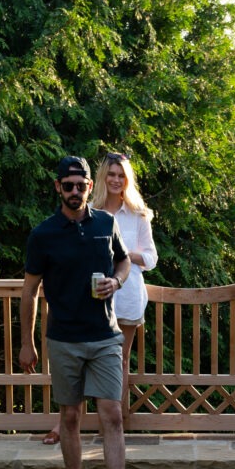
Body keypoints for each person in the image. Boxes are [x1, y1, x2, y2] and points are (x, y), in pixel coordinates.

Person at [19, 155, 152, 469]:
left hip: (105, 335)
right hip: (63, 338)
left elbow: (124, 262)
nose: (75, 191)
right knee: (71, 416)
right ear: (58, 187)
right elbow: (30, 291)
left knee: (111, 413)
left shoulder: (106, 224)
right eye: (68, 185)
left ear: (88, 188)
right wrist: (26, 343)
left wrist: (118, 280)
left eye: (81, 186)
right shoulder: (42, 234)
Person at [42, 152, 158, 446]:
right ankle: (66, 424)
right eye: (111, 174)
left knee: (117, 363)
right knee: (79, 362)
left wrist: (119, 253)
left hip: (127, 292)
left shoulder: (139, 214)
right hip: (91, 298)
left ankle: (111, 427)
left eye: (122, 175)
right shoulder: (87, 210)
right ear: (101, 179)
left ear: (127, 179)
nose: (116, 180)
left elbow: (151, 258)